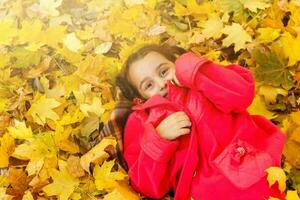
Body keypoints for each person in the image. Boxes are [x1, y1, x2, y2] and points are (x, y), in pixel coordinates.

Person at [115, 44, 287, 200]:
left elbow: (242, 94)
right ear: (139, 98)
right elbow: (147, 185)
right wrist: (159, 139)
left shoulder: (201, 80)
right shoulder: (143, 121)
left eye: (163, 72)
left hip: (246, 160)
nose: (161, 84)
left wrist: (194, 71)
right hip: (204, 189)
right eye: (148, 86)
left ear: (176, 63)